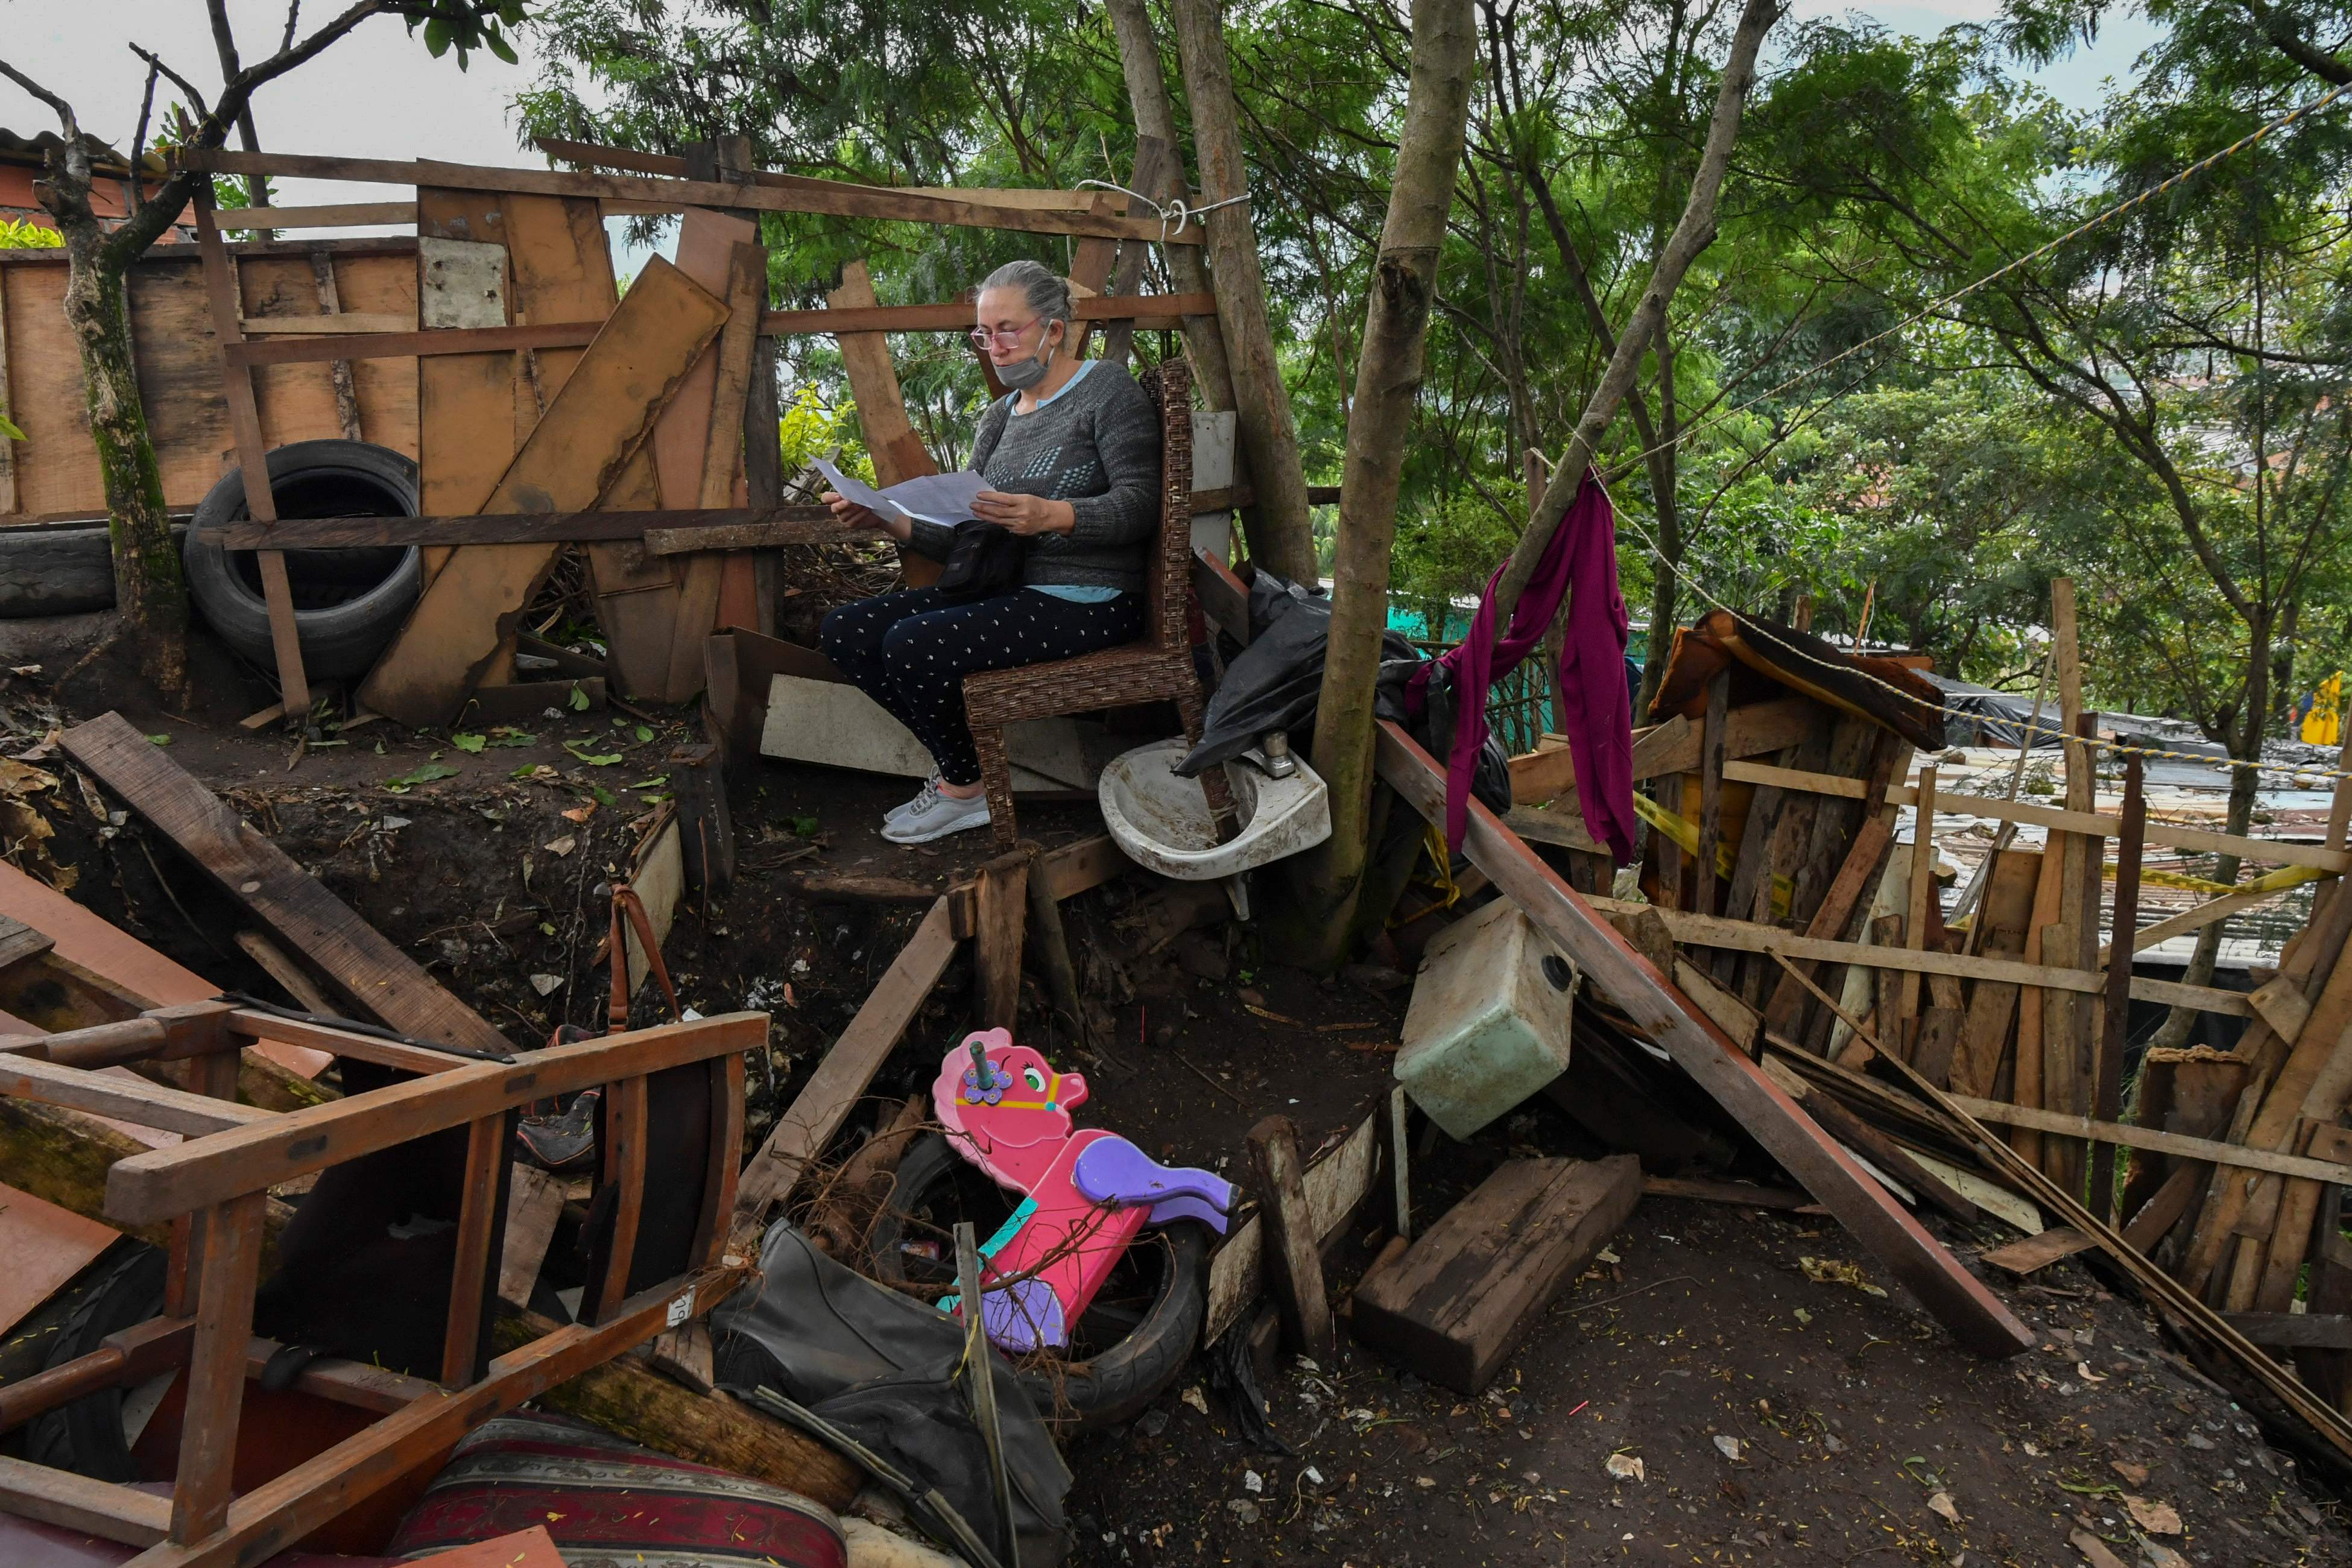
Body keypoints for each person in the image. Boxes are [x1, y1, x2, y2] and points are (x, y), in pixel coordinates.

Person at [817, 258, 1163, 843]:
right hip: (1008, 587)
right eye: (984, 333)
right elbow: (969, 537)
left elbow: (1145, 503)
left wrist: (1054, 514)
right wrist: (891, 519)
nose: (994, 346)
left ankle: (962, 788)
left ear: (1054, 329)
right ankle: (969, 775)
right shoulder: (999, 418)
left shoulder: (1106, 389)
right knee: (845, 630)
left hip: (1091, 596)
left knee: (911, 643)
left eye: (1008, 329)